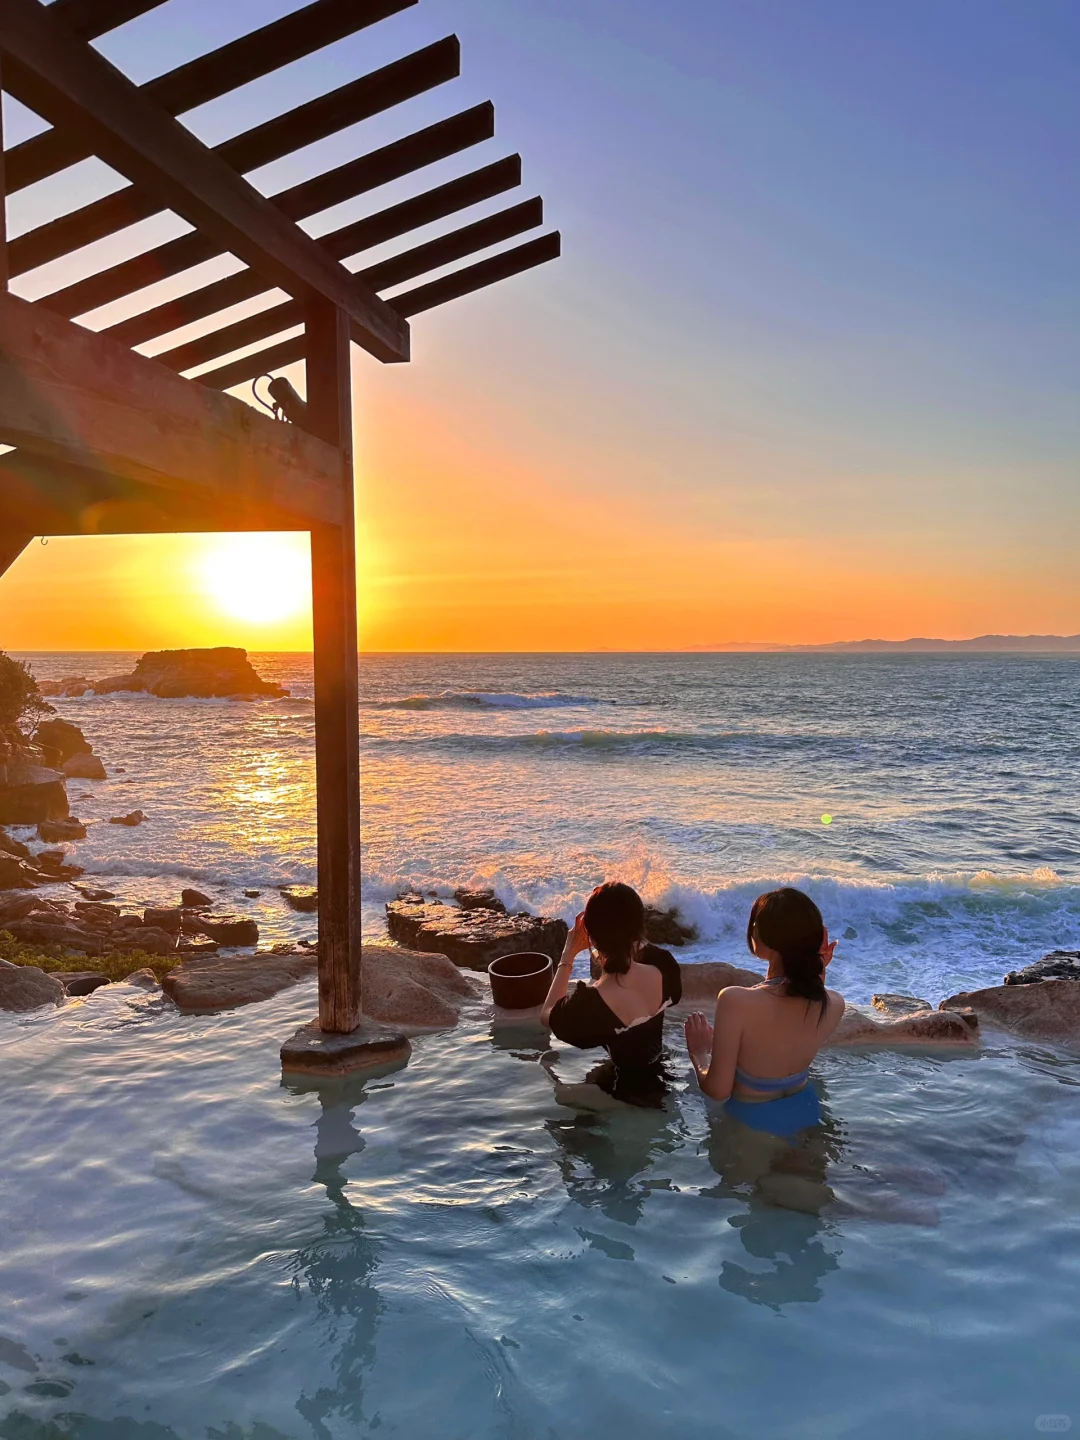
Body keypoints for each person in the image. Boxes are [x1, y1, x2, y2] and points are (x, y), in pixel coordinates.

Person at [684, 887, 845, 1138]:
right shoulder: (834, 1004)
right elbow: (797, 1009)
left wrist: (699, 1052)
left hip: (752, 1125)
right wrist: (818, 968)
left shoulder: (735, 1001)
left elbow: (717, 1090)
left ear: (759, 931)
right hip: (807, 1112)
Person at [541, 882, 682, 1105]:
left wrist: (567, 954)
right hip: (662, 1075)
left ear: (592, 937)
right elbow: (643, 952)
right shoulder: (665, 968)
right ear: (639, 927)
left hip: (620, 1096)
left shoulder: (592, 1003)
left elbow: (547, 1014)